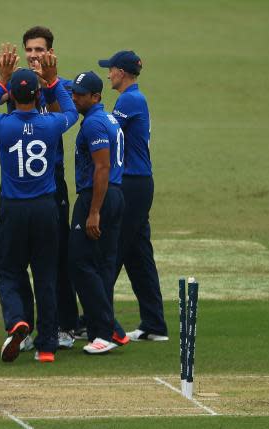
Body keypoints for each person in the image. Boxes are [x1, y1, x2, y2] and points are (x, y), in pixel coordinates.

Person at [0, 27, 80, 351]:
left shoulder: (58, 83)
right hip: (21, 186)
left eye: (40, 49)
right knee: (27, 260)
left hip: (51, 183)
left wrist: (46, 83)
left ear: (50, 51)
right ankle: (28, 329)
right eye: (30, 50)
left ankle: (64, 326)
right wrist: (4, 77)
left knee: (54, 257)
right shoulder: (18, 81)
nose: (35, 55)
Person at [98, 50, 168, 341]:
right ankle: (154, 325)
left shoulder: (129, 100)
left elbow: (109, 130)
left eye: (111, 69)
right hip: (138, 183)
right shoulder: (133, 98)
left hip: (132, 185)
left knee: (111, 251)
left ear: (122, 73)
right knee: (138, 256)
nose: (108, 74)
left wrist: (86, 106)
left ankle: (99, 319)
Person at [68, 71, 125, 354]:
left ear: (96, 97)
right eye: (74, 92)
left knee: (78, 262)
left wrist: (93, 212)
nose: (74, 97)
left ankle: (103, 329)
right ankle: (102, 331)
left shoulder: (93, 125)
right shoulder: (108, 119)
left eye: (80, 94)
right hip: (114, 194)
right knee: (102, 265)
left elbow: (101, 168)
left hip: (98, 195)